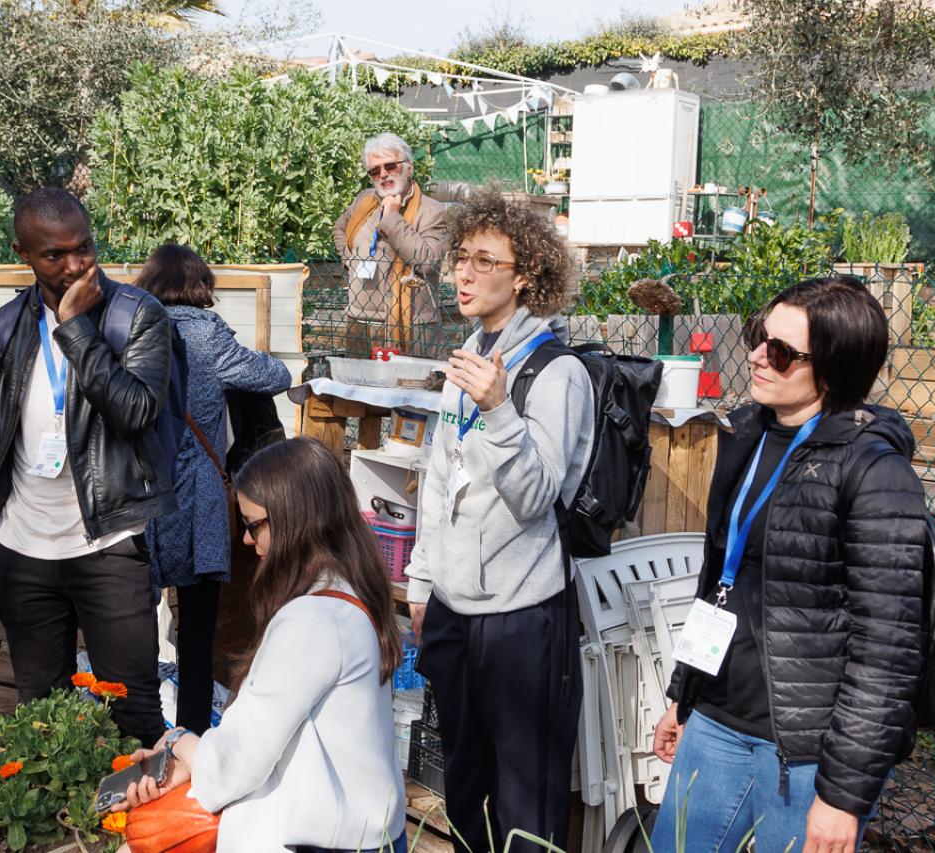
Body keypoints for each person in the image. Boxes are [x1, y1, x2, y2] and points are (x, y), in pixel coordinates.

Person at [651, 277, 928, 852]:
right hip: (716, 723)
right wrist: (684, 693)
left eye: (778, 351)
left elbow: (888, 651)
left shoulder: (875, 472)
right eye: (760, 335)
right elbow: (721, 579)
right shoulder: (746, 435)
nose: (755, 355)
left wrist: (843, 795)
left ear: (831, 369)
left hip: (805, 757)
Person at [404, 189, 593, 851]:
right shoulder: (469, 358)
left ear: (524, 276)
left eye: (485, 261)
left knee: (524, 796)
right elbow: (440, 480)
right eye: (460, 257)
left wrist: (499, 410)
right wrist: (422, 582)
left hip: (522, 617)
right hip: (455, 606)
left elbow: (536, 494)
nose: (463, 272)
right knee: (462, 784)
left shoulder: (556, 371)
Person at [112, 437, 407, 853]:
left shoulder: (311, 621)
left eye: (253, 525)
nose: (248, 542)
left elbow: (239, 759)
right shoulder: (349, 593)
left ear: (294, 520)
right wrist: (189, 765)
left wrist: (177, 740)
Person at [0, 188, 174, 746]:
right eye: (55, 255)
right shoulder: (3, 330)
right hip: (20, 547)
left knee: (133, 710)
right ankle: (62, 828)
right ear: (23, 254)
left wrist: (76, 329)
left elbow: (135, 413)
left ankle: (136, 831)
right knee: (42, 713)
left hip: (108, 543)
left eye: (84, 247)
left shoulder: (137, 316)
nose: (76, 264)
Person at [132, 243, 292, 733]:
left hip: (138, 494)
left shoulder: (128, 328)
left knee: (130, 624)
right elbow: (275, 376)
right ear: (200, 284)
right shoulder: (207, 334)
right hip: (197, 498)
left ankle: (136, 732)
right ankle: (191, 737)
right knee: (197, 632)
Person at [333, 133, 447, 357]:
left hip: (412, 327)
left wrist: (392, 218)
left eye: (390, 166)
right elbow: (339, 229)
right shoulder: (364, 200)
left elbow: (427, 261)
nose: (383, 175)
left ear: (409, 168)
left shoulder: (432, 210)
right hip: (360, 321)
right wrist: (351, 260)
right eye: (375, 171)